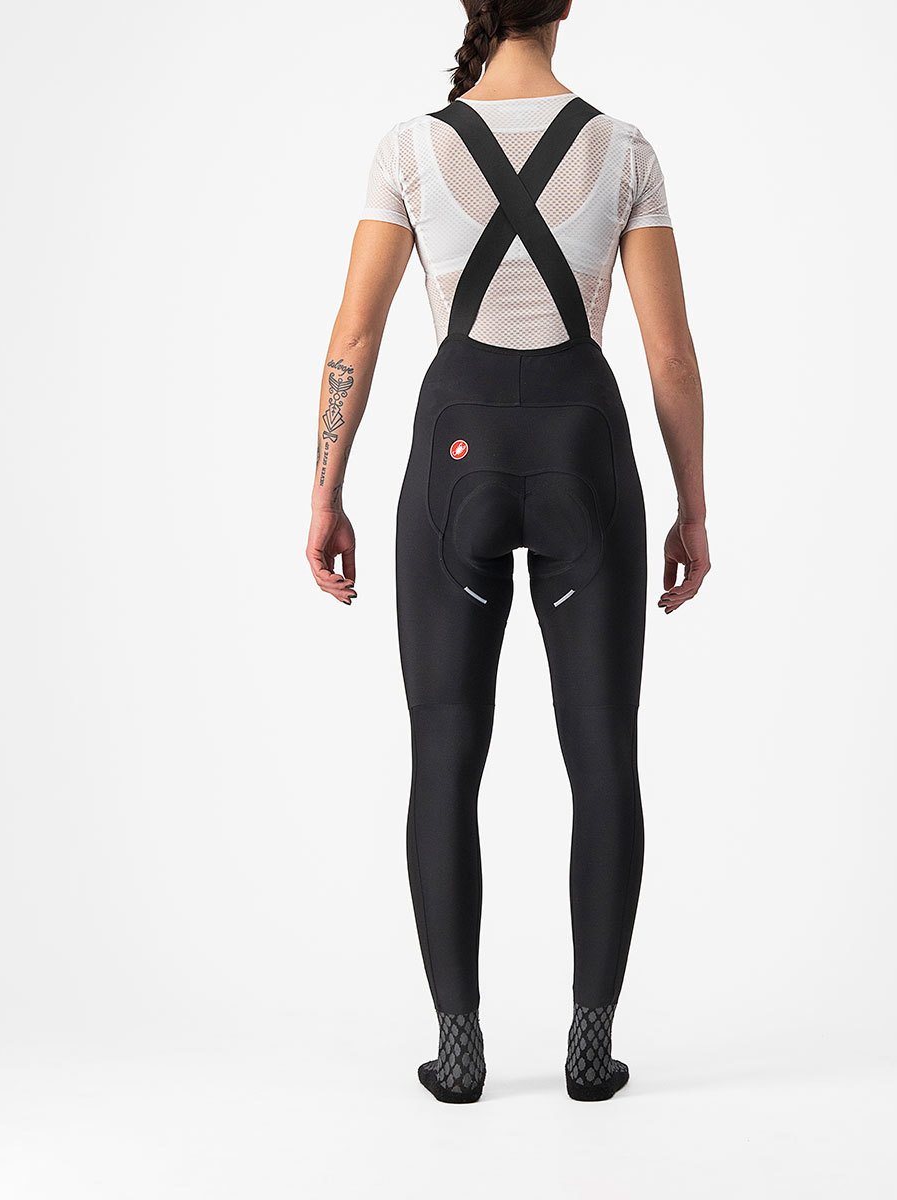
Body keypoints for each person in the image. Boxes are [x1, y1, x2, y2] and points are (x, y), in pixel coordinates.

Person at [305, 0, 709, 1103]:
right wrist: (692, 506)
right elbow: (670, 355)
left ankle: (458, 1045)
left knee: (444, 751)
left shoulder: (409, 150)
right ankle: (590, 1042)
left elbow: (355, 334)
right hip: (586, 456)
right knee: (603, 752)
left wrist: (326, 490)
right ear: (565, 3)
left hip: (455, 459)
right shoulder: (624, 150)